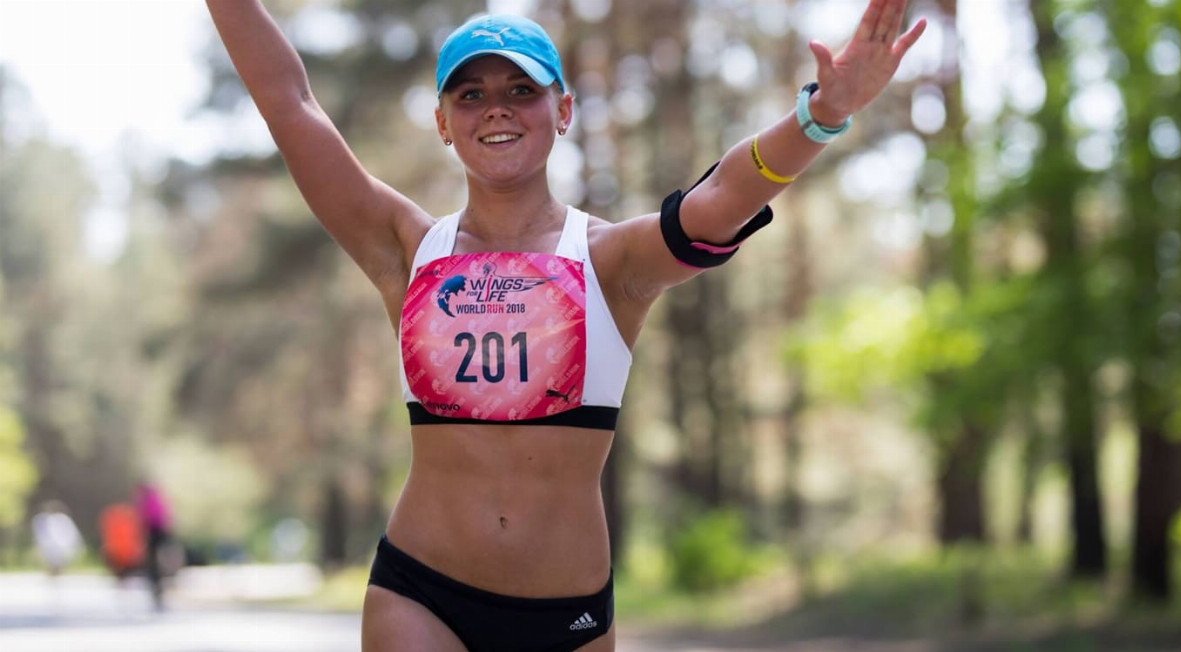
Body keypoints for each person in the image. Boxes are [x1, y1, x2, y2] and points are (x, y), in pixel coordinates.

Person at [206, 1, 925, 650]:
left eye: (522, 90)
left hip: (566, 618)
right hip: (419, 592)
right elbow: (291, 104)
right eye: (471, 94)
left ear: (565, 109)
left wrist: (820, 116)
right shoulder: (406, 249)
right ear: (442, 123)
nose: (497, 110)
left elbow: (721, 197)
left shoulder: (610, 261)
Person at [134, 481, 173, 610]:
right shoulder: (158, 499)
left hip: (153, 534)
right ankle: (158, 591)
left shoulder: (147, 500)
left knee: (153, 564)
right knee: (157, 564)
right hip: (160, 535)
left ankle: (157, 590)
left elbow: (143, 519)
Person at [31, 500, 84, 578]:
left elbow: (69, 535)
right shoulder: (43, 520)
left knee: (56, 566)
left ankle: (56, 575)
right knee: (54, 566)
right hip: (52, 548)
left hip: (58, 548)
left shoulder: (62, 520)